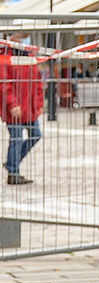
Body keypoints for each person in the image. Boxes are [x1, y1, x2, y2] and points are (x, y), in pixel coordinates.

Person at [3, 50, 39, 185]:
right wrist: (12, 104)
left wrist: (38, 104)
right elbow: (4, 84)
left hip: (29, 107)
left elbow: (37, 82)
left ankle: (11, 162)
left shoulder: (30, 57)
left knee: (36, 134)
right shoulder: (6, 56)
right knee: (16, 139)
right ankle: (13, 172)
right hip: (14, 109)